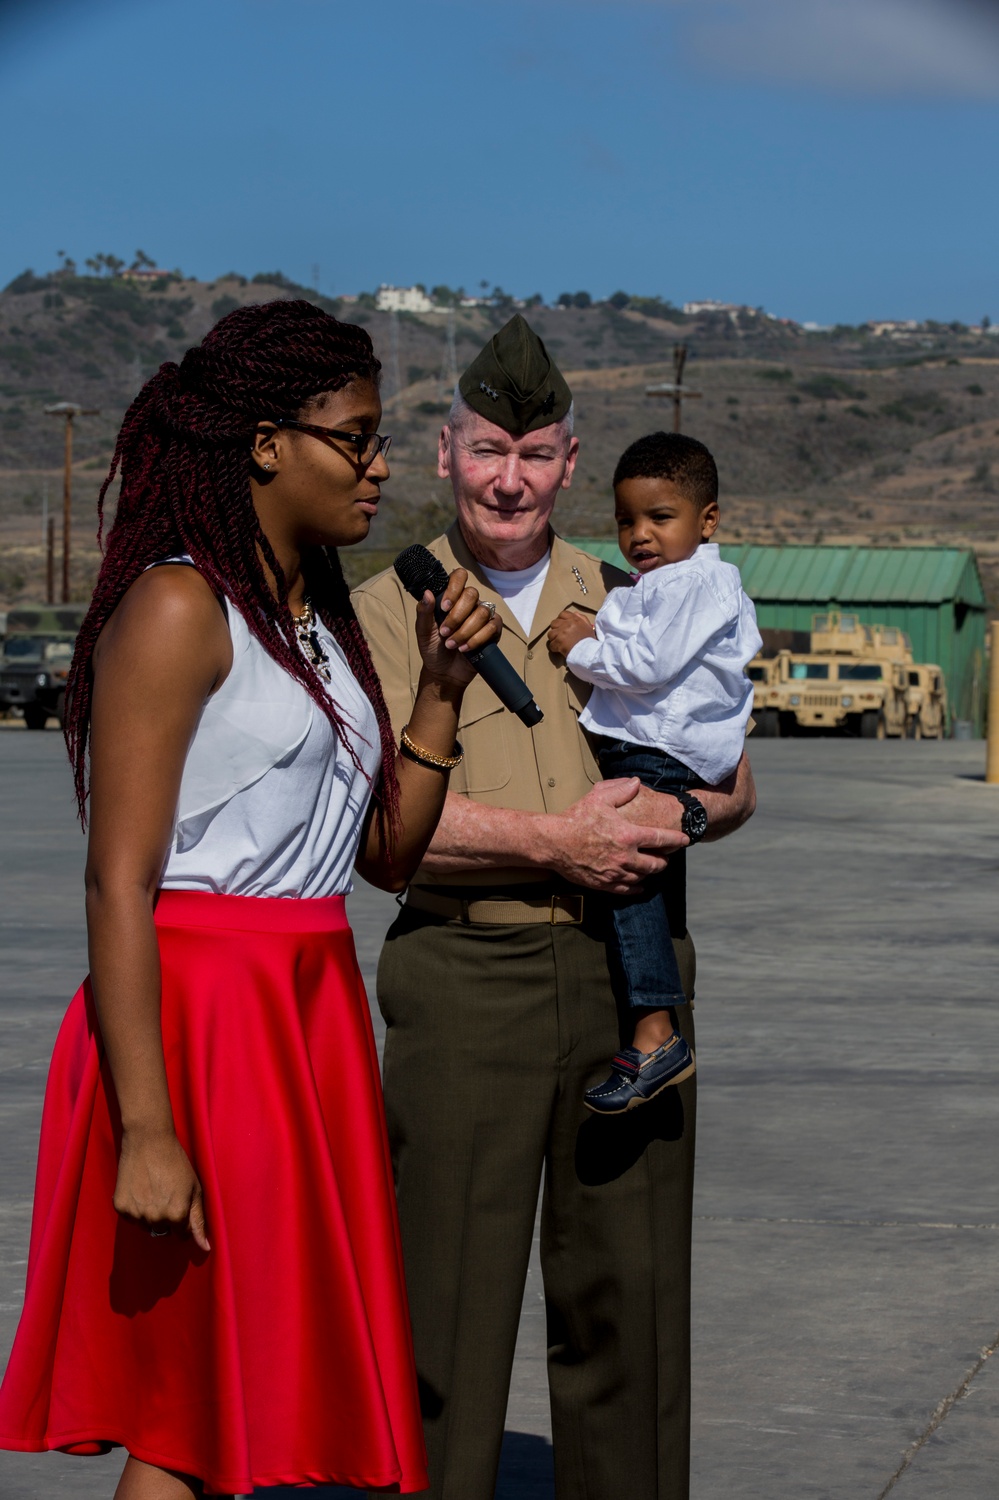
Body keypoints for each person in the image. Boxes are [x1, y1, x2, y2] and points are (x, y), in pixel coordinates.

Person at [0, 300, 501, 1500]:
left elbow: (382, 858)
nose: (381, 466)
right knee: (188, 1420)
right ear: (267, 442)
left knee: (249, 1406)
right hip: (196, 1023)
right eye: (359, 437)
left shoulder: (321, 621)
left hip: (306, 1009)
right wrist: (149, 1125)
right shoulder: (180, 609)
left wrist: (436, 694)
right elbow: (117, 878)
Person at [352, 314, 756, 1500]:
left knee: (629, 1311)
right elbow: (383, 823)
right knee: (444, 1318)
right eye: (487, 450)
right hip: (464, 981)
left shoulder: (643, 592)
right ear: (444, 453)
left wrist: (677, 820)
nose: (510, 478)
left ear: (570, 463)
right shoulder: (381, 610)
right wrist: (561, 841)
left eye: (534, 455)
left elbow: (735, 782)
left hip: (626, 985)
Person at [547, 431, 761, 1114]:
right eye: (625, 520)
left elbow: (646, 668)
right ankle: (658, 1023)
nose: (639, 535)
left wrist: (581, 646)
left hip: (657, 752)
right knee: (653, 894)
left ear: (708, 520)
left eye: (659, 518)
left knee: (627, 881)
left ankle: (654, 1035)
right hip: (663, 747)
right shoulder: (668, 582)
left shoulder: (692, 582)